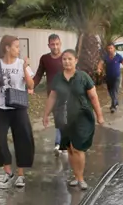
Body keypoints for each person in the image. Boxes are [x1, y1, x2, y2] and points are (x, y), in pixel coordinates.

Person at [43, 49, 106, 190]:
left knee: (77, 148)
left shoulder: (83, 77)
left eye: (70, 59)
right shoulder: (58, 78)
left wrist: (99, 115)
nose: (67, 61)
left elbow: (93, 97)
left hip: (82, 118)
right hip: (64, 118)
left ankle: (81, 178)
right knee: (70, 149)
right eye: (64, 59)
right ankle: (76, 176)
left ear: (76, 60)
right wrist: (46, 114)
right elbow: (52, 97)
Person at [0, 35, 35, 188]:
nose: (19, 50)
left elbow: (31, 85)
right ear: (7, 48)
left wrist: (25, 68)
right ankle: (8, 172)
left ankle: (20, 175)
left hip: (19, 109)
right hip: (1, 109)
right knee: (0, 141)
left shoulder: (21, 64)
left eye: (19, 47)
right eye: (16, 47)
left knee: (22, 141)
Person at [33, 33, 65, 153]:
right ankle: (60, 143)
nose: (55, 47)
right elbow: (38, 75)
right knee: (58, 118)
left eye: (57, 44)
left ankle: (61, 143)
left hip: (67, 94)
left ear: (60, 44)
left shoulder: (66, 57)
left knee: (64, 117)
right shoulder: (45, 59)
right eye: (52, 44)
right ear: (48, 45)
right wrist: (31, 86)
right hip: (52, 94)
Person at [99, 43, 123, 113]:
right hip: (108, 77)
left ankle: (113, 106)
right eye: (108, 49)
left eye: (111, 48)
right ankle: (116, 102)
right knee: (110, 91)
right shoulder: (106, 57)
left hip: (117, 77)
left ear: (114, 49)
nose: (110, 50)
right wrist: (99, 69)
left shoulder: (118, 56)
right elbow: (101, 63)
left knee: (114, 91)